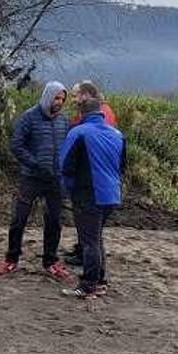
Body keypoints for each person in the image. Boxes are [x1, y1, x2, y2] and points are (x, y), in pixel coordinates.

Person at [0, 81, 72, 281]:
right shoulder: (29, 118)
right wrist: (35, 163)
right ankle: (11, 258)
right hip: (31, 177)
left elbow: (67, 148)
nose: (60, 102)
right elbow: (16, 144)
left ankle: (50, 261)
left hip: (55, 179)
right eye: (57, 98)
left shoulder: (64, 121)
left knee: (54, 221)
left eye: (62, 99)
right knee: (19, 218)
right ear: (48, 96)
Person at [57, 98, 126, 299]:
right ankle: (100, 281)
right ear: (101, 112)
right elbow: (121, 166)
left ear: (82, 113)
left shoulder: (78, 132)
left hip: (88, 194)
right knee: (96, 238)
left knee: (89, 241)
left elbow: (65, 165)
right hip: (111, 195)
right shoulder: (117, 134)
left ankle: (88, 285)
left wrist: (70, 190)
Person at [64, 80, 117, 266]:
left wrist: (70, 183)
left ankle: (90, 276)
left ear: (85, 95)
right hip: (102, 183)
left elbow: (73, 157)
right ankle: (87, 259)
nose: (71, 100)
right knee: (91, 231)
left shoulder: (101, 116)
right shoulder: (96, 115)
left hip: (91, 183)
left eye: (74, 95)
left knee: (92, 232)